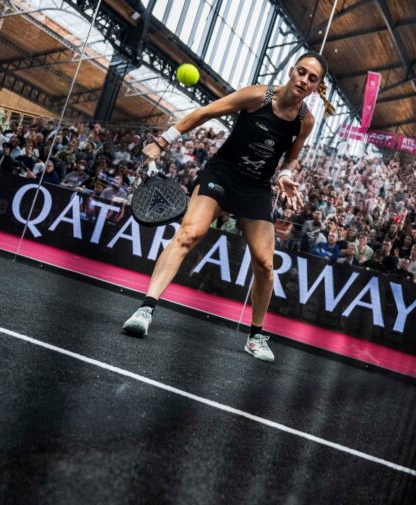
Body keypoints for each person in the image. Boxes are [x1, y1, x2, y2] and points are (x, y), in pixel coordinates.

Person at [122, 52, 334, 363]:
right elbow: (205, 112)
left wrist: (286, 176)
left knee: (265, 263)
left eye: (312, 78)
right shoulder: (258, 96)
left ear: (317, 86)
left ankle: (255, 337)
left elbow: (290, 158)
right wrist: (162, 141)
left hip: (255, 188)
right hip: (222, 174)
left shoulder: (306, 121)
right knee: (189, 234)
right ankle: (145, 309)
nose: (304, 80)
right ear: (292, 71)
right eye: (301, 72)